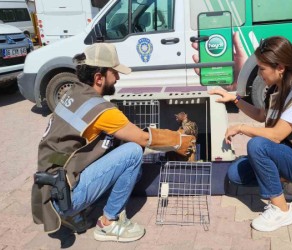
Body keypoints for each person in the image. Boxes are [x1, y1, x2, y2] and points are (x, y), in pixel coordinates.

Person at [31, 43, 195, 242]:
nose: (117, 77)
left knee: (120, 150)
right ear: (98, 78)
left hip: (50, 189)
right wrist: (178, 140)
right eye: (114, 73)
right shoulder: (101, 110)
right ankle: (109, 223)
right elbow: (143, 139)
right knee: (133, 152)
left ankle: (75, 212)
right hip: (65, 196)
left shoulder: (73, 93)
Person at [208, 36, 292, 232]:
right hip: (287, 154)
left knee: (258, 145)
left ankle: (281, 210)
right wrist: (234, 99)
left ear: (280, 67)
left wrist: (240, 127)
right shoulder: (277, 86)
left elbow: (275, 136)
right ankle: (286, 181)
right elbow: (260, 115)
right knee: (235, 174)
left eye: (262, 68)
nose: (259, 73)